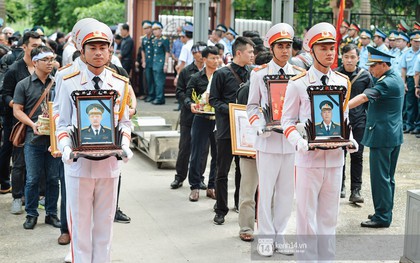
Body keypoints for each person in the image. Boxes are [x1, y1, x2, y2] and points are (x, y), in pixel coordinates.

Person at [55, 19, 133, 262]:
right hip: (78, 165)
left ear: (110, 50)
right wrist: (65, 146)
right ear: (82, 50)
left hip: (109, 165)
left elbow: (124, 122)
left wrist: (126, 145)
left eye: (104, 47)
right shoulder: (67, 79)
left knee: (104, 227)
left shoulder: (119, 83)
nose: (99, 53)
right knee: (79, 227)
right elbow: (61, 118)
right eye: (93, 48)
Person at [281, 22, 357, 261]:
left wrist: (350, 139)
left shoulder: (343, 82)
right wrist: (299, 142)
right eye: (323, 48)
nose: (329, 53)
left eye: (332, 48)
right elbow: (287, 121)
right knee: (306, 218)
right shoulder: (298, 83)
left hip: (335, 159)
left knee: (329, 217)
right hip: (308, 159)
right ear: (311, 50)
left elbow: (343, 118)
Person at [247, 23, 304, 256]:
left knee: (286, 192)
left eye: (288, 46)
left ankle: (280, 235)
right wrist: (260, 125)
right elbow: (251, 106)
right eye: (280, 46)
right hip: (269, 141)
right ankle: (265, 237)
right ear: (272, 48)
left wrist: (300, 126)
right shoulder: (259, 74)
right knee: (266, 190)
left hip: (290, 142)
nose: (285, 50)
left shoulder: (299, 75)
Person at [348, 46, 404, 228]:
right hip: (391, 135)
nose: (370, 70)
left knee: (381, 178)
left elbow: (364, 97)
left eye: (373, 66)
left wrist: (340, 107)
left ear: (383, 65)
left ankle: (382, 216)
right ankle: (384, 211)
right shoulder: (393, 77)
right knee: (387, 178)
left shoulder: (386, 82)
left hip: (382, 137)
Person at [13, 45, 61, 229]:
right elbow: (17, 111)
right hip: (33, 139)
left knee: (52, 178)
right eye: (46, 60)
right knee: (32, 178)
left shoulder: (58, 83)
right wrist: (32, 124)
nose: (50, 63)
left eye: (52, 59)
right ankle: (31, 214)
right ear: (35, 62)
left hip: (54, 139)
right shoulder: (23, 85)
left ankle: (51, 214)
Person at [209, 36, 255, 225]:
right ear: (239, 53)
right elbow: (213, 100)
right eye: (250, 52)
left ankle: (238, 203)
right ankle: (220, 209)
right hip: (226, 130)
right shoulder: (221, 74)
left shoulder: (253, 73)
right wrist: (230, 110)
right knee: (222, 170)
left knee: (243, 171)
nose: (253, 55)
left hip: (246, 131)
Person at [2, 31, 43, 214]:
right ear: (24, 47)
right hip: (18, 124)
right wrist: (16, 105)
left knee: (40, 163)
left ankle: (36, 197)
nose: (37, 50)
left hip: (41, 124)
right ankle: (17, 197)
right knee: (19, 162)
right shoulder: (14, 69)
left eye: (39, 46)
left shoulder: (44, 67)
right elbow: (4, 94)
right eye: (33, 46)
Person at [236, 50, 272, 243]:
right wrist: (245, 146)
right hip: (248, 146)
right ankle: (246, 227)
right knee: (248, 190)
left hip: (271, 146)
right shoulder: (245, 90)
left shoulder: (282, 89)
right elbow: (239, 119)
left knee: (270, 190)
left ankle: (268, 226)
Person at [336, 43, 373, 202]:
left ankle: (356, 190)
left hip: (359, 121)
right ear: (341, 57)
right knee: (340, 154)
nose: (349, 60)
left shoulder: (365, 76)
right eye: (346, 57)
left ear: (358, 58)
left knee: (357, 155)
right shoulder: (335, 74)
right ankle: (340, 186)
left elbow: (369, 101)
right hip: (338, 121)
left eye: (352, 57)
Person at [170, 42, 207, 189]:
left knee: (203, 149)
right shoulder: (186, 71)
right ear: (193, 54)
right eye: (200, 52)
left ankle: (199, 178)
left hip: (205, 116)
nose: (202, 55)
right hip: (188, 115)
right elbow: (179, 91)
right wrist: (188, 103)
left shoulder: (211, 72)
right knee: (185, 147)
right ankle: (179, 177)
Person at [185, 46, 219, 201]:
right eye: (212, 58)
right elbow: (187, 97)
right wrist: (191, 104)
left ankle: (212, 186)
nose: (216, 61)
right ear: (204, 60)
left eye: (218, 57)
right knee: (197, 154)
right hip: (201, 118)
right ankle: (195, 186)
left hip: (218, 119)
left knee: (218, 155)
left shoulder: (222, 76)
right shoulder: (196, 77)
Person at [401, 31, 420, 134]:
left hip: (419, 79)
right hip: (410, 79)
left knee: (418, 104)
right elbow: (403, 68)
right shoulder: (406, 53)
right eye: (415, 41)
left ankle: (417, 125)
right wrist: (404, 82)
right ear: (411, 41)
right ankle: (409, 124)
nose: (417, 43)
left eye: (419, 41)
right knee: (409, 103)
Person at [151, 21, 170, 105]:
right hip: (155, 63)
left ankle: (160, 98)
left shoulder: (164, 40)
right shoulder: (154, 40)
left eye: (156, 29)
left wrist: (166, 64)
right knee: (156, 81)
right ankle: (158, 97)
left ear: (161, 30)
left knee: (159, 82)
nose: (154, 31)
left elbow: (167, 52)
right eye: (153, 30)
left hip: (161, 63)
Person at [141, 20, 155, 103]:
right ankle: (149, 94)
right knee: (148, 79)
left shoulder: (155, 38)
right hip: (148, 61)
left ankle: (154, 95)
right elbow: (143, 50)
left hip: (155, 61)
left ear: (151, 29)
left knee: (154, 79)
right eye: (144, 28)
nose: (146, 30)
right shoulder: (144, 39)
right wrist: (143, 60)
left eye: (147, 28)